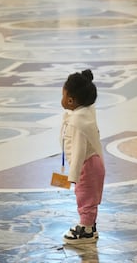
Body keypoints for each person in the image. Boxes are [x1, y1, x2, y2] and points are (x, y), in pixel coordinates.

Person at [60, 69, 105, 244]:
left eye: (63, 95)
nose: (62, 98)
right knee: (88, 196)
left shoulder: (78, 122)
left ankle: (86, 230)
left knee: (85, 196)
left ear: (70, 100)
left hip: (86, 165)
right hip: (92, 163)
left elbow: (79, 149)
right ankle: (89, 226)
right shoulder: (85, 112)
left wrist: (73, 174)